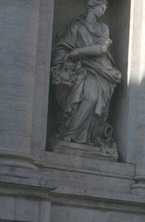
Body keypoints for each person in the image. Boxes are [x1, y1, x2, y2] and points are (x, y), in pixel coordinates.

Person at [51, 0, 121, 153]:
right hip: (80, 69)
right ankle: (70, 134)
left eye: (105, 8)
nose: (103, 10)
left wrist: (77, 52)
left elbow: (102, 48)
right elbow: (62, 46)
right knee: (83, 99)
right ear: (92, 6)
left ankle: (87, 137)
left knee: (92, 98)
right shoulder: (75, 26)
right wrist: (66, 58)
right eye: (101, 7)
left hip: (100, 70)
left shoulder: (103, 27)